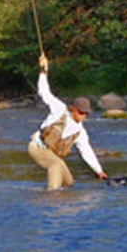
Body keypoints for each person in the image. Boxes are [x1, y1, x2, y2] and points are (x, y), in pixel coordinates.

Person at [28, 53, 108, 190]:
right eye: (81, 112)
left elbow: (86, 151)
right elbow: (44, 92)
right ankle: (51, 198)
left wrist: (99, 171)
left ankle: (51, 194)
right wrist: (43, 71)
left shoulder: (80, 132)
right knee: (55, 166)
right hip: (37, 148)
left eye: (86, 113)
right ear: (73, 109)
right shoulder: (60, 109)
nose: (84, 116)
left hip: (52, 154)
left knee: (68, 183)